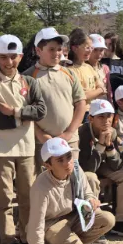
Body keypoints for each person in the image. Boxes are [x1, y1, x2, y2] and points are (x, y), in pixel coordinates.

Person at [0, 35, 47, 244]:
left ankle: (25, 236)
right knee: (3, 199)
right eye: (3, 57)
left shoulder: (29, 83)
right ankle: (8, 243)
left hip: (26, 148)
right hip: (0, 149)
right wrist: (21, 119)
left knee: (28, 197)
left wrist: (15, 113)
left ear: (21, 56)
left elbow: (40, 110)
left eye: (13, 57)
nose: (8, 62)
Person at [27, 137, 114, 244]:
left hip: (73, 214)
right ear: (48, 165)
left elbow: (87, 192)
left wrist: (91, 199)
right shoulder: (40, 188)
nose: (67, 163)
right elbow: (35, 227)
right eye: (60, 160)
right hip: (51, 223)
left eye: (69, 156)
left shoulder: (75, 168)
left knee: (108, 220)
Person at [78, 99, 123, 240]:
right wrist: (100, 145)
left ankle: (120, 221)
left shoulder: (113, 132)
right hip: (85, 169)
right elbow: (88, 168)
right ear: (91, 118)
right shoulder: (82, 133)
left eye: (109, 116)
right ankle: (94, 225)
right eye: (101, 116)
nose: (106, 120)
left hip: (103, 166)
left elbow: (117, 165)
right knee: (90, 177)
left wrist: (110, 147)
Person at [29, 28, 86, 169]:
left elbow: (81, 104)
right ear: (38, 51)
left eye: (59, 49)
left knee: (72, 181)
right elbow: (26, 112)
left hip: (69, 141)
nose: (57, 53)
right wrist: (40, 135)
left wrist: (69, 132)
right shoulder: (28, 76)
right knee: (45, 182)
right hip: (42, 143)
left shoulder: (69, 73)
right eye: (51, 49)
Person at [66, 28, 105, 116]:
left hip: (94, 111)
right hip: (81, 113)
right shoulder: (71, 70)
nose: (90, 50)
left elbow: (102, 88)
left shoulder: (89, 67)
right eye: (87, 48)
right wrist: (99, 90)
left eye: (91, 48)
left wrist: (98, 90)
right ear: (75, 48)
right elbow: (82, 96)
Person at [89, 34, 112, 100]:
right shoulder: (83, 68)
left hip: (104, 106)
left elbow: (109, 90)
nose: (99, 53)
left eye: (101, 50)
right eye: (95, 50)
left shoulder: (105, 68)